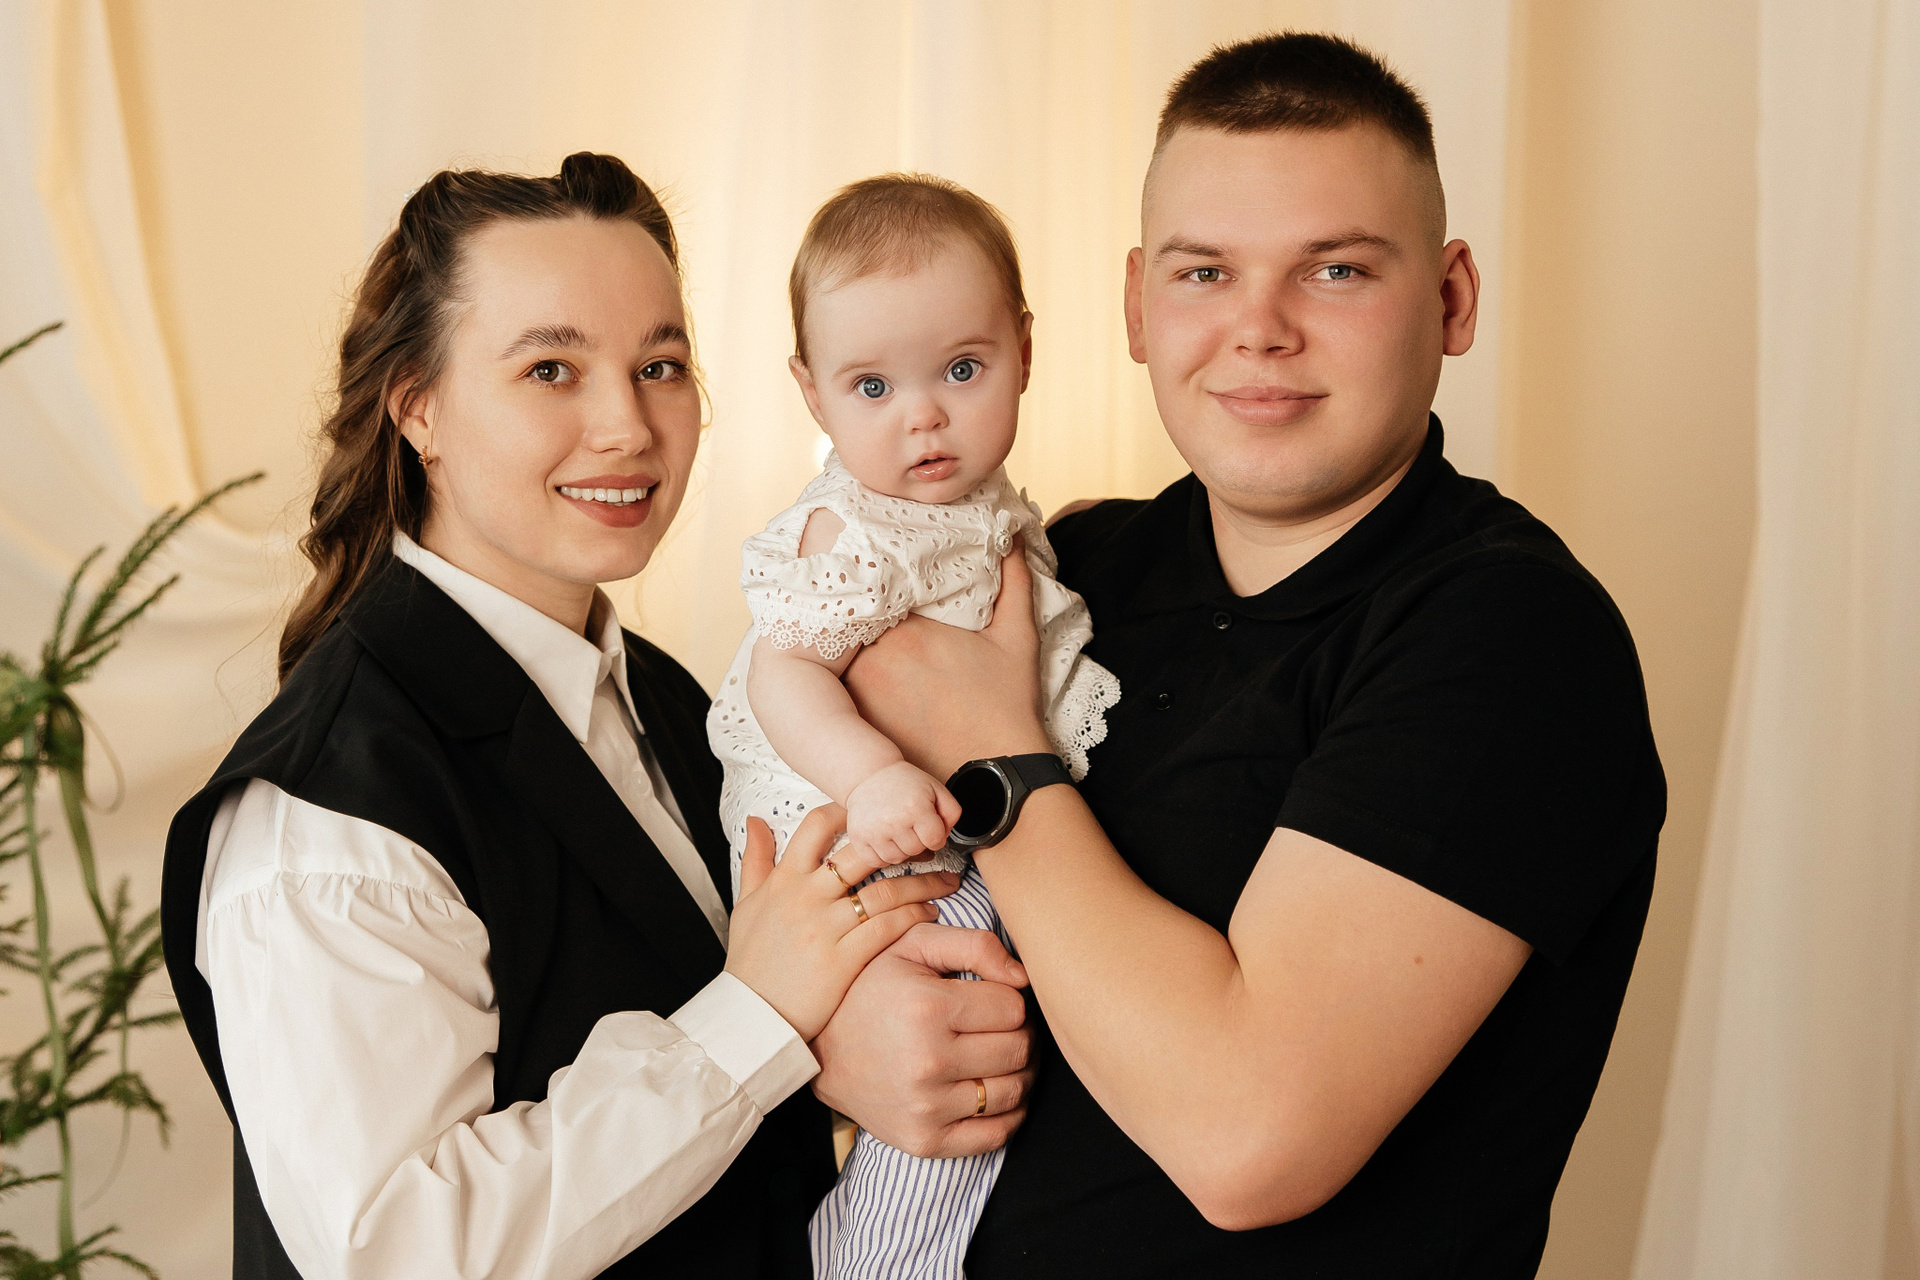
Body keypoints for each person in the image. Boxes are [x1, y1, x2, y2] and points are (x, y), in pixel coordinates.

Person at [842, 33, 1667, 1278]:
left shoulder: (1513, 634)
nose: (1259, 330)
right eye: (1205, 272)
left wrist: (993, 758)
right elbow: (834, 909)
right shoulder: (1065, 564)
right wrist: (839, 1036)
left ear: (1452, 300)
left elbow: (1249, 1140)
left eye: (1335, 270)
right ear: (1136, 304)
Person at [158, 153, 1027, 1280]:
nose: (627, 426)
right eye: (551, 369)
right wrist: (765, 1016)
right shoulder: (329, 816)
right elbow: (399, 1252)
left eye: (658, 366)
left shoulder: (671, 696)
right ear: (418, 407)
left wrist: (831, 1043)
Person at [704, 174, 1119, 1279]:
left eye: (962, 370)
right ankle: (874, 1260)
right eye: (873, 385)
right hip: (858, 840)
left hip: (937, 827)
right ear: (812, 393)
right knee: (964, 1027)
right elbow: (784, 672)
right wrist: (874, 772)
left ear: (1024, 349)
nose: (922, 415)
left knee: (1008, 1026)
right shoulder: (847, 530)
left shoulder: (975, 501)